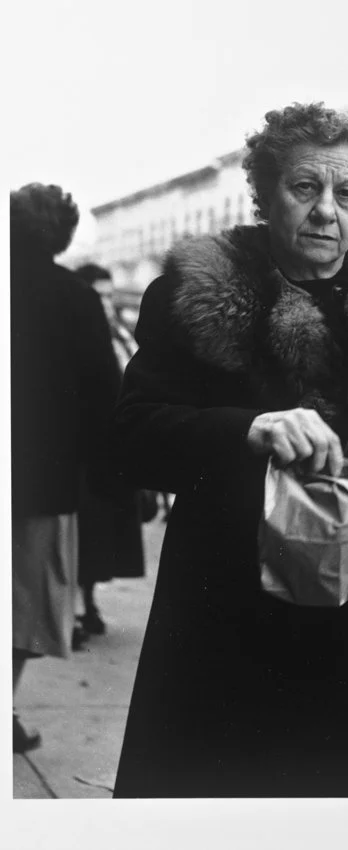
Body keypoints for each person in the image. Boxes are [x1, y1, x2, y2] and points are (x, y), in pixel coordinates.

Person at [112, 102, 348, 798]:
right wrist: (248, 428)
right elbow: (130, 441)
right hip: (224, 601)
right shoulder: (195, 295)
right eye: (304, 188)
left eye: (346, 193)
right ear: (265, 192)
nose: (324, 210)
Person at [11, 184, 121, 751]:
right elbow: (106, 392)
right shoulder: (75, 298)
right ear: (64, 233)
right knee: (29, 604)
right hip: (44, 480)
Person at [70, 263, 147, 639]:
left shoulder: (118, 332)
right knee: (83, 537)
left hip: (115, 449)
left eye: (108, 295)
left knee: (100, 536)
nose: (104, 303)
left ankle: (88, 602)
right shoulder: (74, 335)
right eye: (97, 295)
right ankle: (75, 608)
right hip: (85, 452)